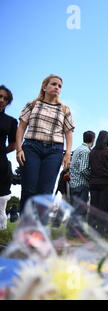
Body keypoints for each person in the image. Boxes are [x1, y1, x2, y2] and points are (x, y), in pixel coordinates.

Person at [15, 75, 75, 212]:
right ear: (44, 87)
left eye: (59, 86)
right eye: (54, 84)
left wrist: (67, 153)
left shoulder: (65, 109)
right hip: (31, 147)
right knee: (29, 189)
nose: (57, 87)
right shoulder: (33, 104)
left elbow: (69, 133)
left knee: (46, 191)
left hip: (54, 151)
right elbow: (21, 127)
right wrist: (19, 149)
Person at [89, 130, 108, 237]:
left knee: (94, 208)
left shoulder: (92, 152)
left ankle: (92, 230)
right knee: (106, 209)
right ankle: (104, 231)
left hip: (94, 183)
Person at [0, 85, 17, 230]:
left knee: (1, 197)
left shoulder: (10, 121)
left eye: (5, 99)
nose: (1, 100)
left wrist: (1, 152)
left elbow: (14, 144)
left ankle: (2, 228)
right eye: (0, 96)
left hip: (0, 162)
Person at [69, 131, 95, 202]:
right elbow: (83, 169)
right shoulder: (85, 151)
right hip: (81, 185)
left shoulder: (78, 149)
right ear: (93, 139)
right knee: (80, 211)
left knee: (74, 210)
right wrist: (92, 178)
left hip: (73, 184)